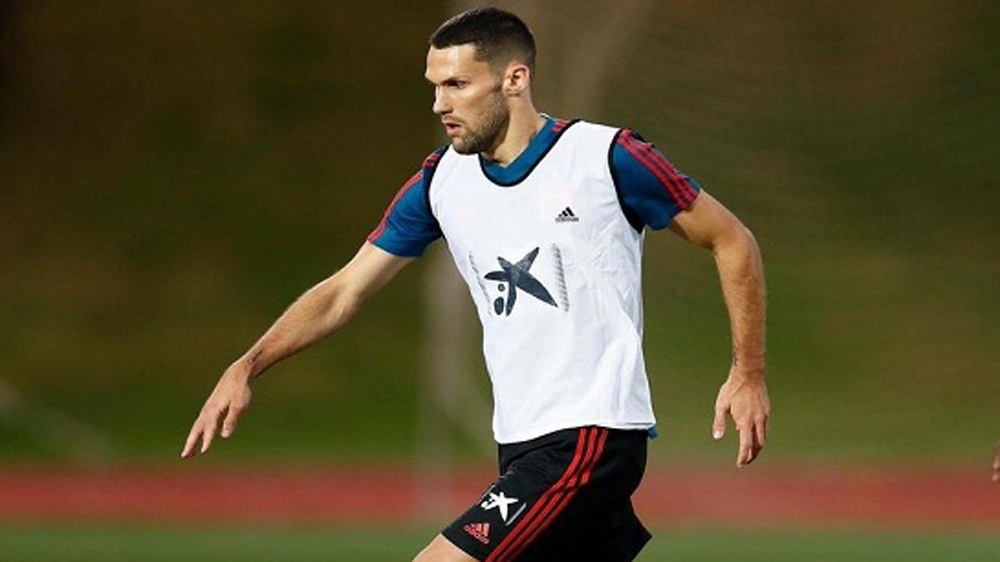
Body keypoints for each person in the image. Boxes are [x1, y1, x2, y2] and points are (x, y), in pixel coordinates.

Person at [181, 7, 769, 562]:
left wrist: (748, 373)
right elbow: (344, 290)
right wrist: (247, 364)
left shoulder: (606, 158)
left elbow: (732, 238)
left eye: (457, 85)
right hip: (520, 441)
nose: (439, 103)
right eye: (434, 86)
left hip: (589, 439)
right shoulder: (441, 182)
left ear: (514, 79)